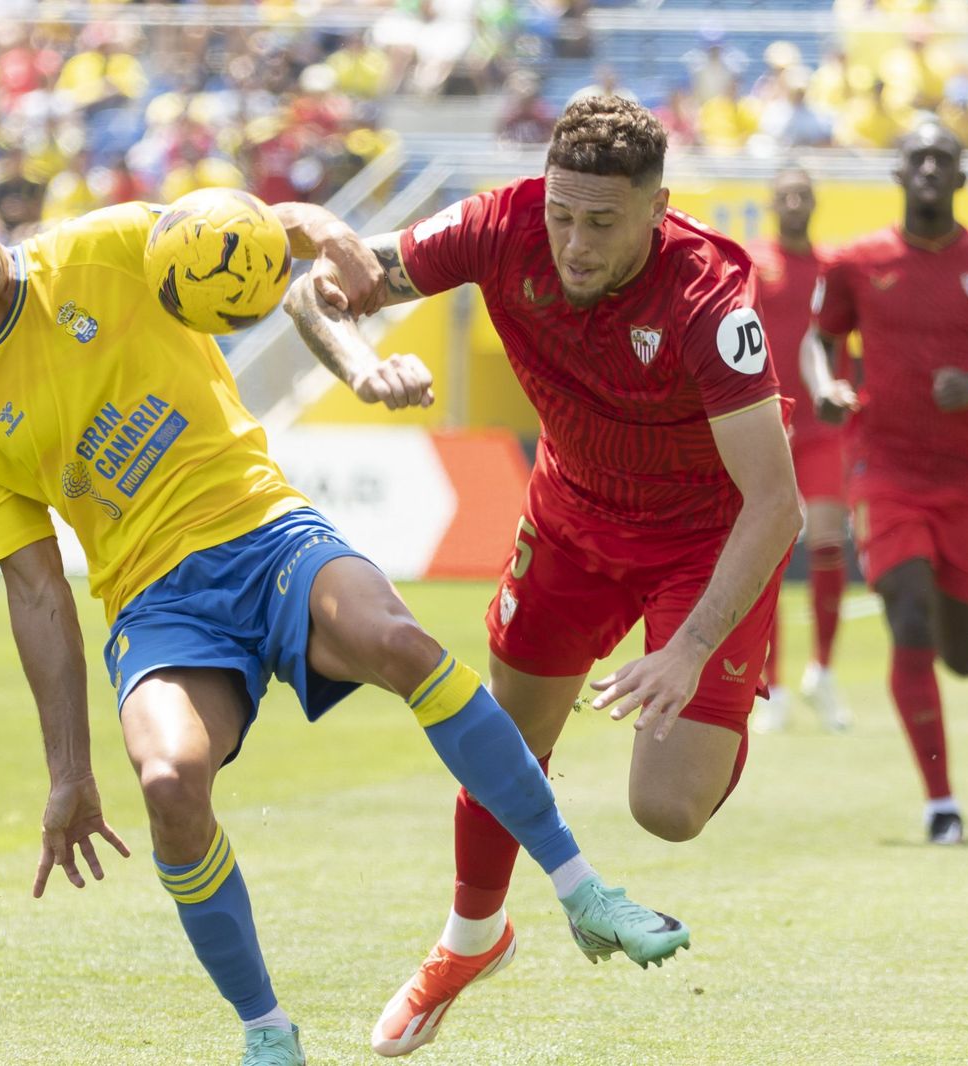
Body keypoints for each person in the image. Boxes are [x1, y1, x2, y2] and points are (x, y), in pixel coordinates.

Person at [0, 143, 687, 1066]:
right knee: (170, 783)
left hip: (265, 533)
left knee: (398, 641)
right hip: (156, 606)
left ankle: (584, 891)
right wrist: (67, 771)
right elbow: (39, 595)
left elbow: (277, 225)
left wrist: (333, 238)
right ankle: (267, 1034)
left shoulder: (106, 247)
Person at [284, 95, 802, 1057]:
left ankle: (734, 673)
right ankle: (470, 940)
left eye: (602, 221)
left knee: (669, 811)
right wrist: (359, 367)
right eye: (563, 213)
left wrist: (692, 652)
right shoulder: (498, 224)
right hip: (570, 522)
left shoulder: (712, 302)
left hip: (702, 539)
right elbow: (320, 287)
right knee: (504, 741)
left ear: (659, 208)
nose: (572, 240)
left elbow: (778, 505)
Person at [801, 121, 968, 845]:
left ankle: (959, 633)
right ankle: (941, 803)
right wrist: (823, 387)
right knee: (906, 613)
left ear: (962, 179)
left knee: (961, 655)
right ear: (899, 176)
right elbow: (820, 340)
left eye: (944, 160)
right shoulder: (855, 260)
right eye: (918, 159)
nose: (931, 169)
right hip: (886, 468)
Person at [747, 165, 851, 734]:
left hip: (821, 428)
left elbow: (837, 342)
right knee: (770, 556)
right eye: (785, 193)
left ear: (815, 203)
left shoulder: (833, 268)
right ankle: (774, 687)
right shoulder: (752, 263)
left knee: (829, 541)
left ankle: (823, 672)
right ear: (771, 201)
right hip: (766, 426)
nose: (794, 201)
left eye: (803, 194)